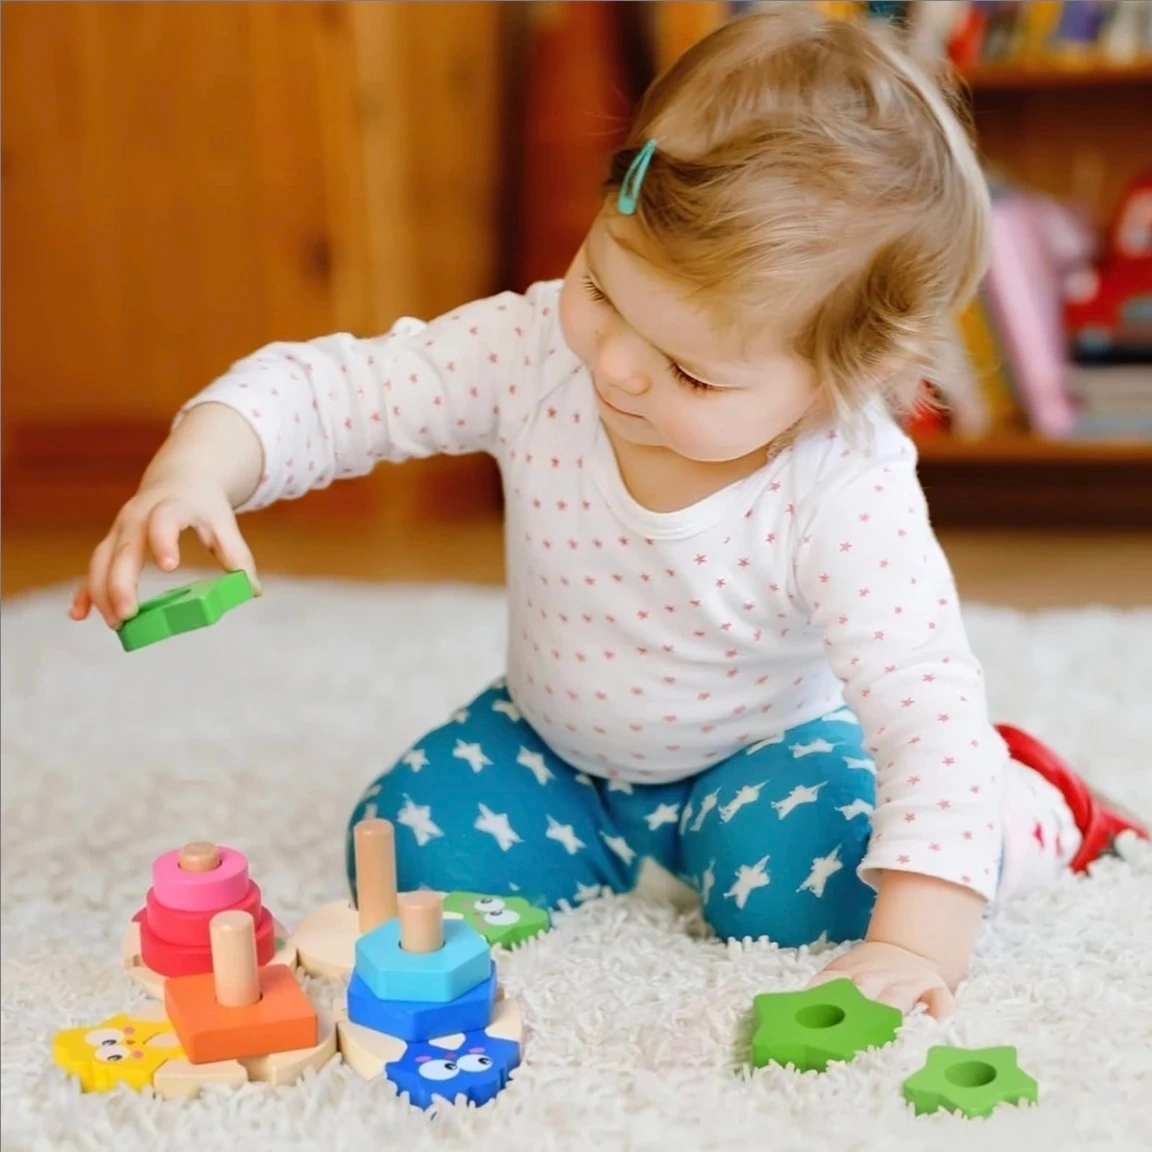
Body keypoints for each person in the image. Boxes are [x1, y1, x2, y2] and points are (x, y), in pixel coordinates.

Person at [73, 7, 1145, 1016]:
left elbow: (922, 709)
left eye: (691, 371)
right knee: (401, 857)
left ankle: (1039, 806)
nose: (620, 368)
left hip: (765, 755)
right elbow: (342, 387)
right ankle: (610, 849)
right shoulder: (535, 346)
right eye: (602, 287)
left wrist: (915, 946)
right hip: (555, 748)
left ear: (837, 382)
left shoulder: (844, 484)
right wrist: (198, 468)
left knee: (830, 900)